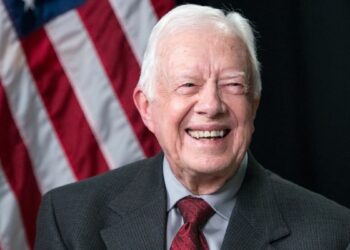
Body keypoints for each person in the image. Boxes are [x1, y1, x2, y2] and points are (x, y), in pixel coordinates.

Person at [35, 4, 350, 250]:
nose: (211, 105)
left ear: (254, 104)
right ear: (146, 107)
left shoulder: (332, 234)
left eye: (232, 84)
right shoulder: (70, 220)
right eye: (188, 84)